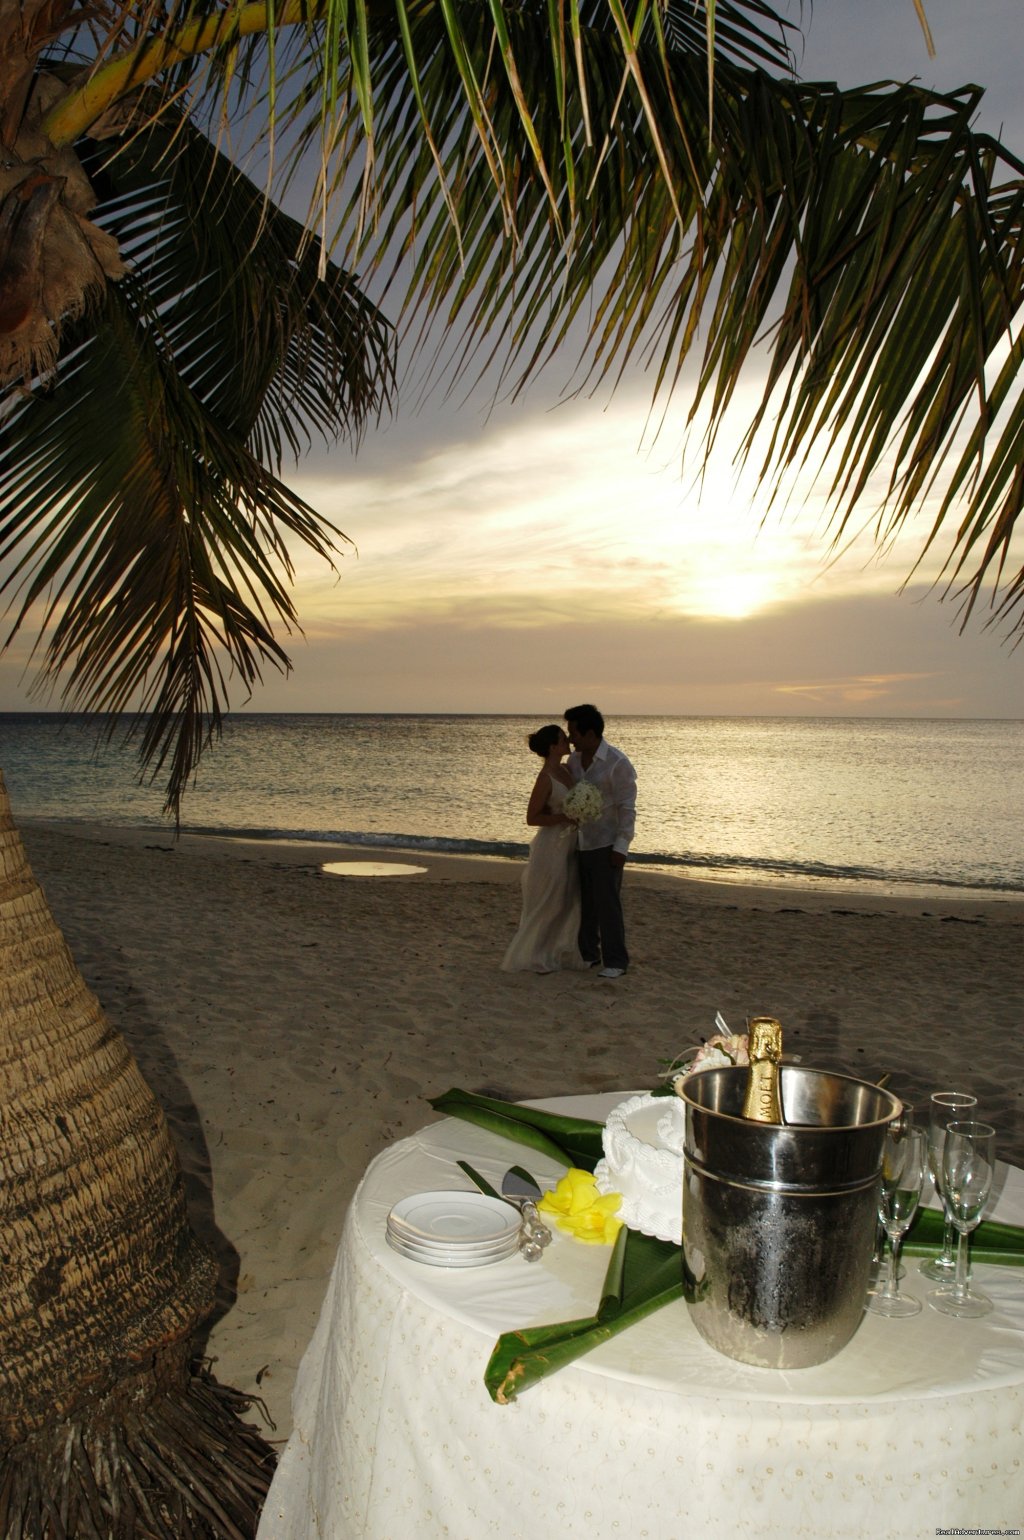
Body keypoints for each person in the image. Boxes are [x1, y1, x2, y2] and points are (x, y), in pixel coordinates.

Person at [501, 725, 590, 974]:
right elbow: (532, 817)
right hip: (551, 846)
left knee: (567, 899)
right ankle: (535, 956)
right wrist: (563, 817)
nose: (568, 741)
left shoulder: (564, 770)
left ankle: (555, 951)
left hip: (571, 844)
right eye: (563, 739)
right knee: (550, 900)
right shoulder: (545, 778)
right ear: (553, 746)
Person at [564, 703, 637, 978]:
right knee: (585, 904)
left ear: (591, 733)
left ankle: (616, 961)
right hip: (580, 842)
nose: (570, 739)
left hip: (606, 843)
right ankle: (589, 955)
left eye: (574, 733)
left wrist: (621, 847)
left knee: (608, 904)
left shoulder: (618, 764)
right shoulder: (573, 761)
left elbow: (627, 808)